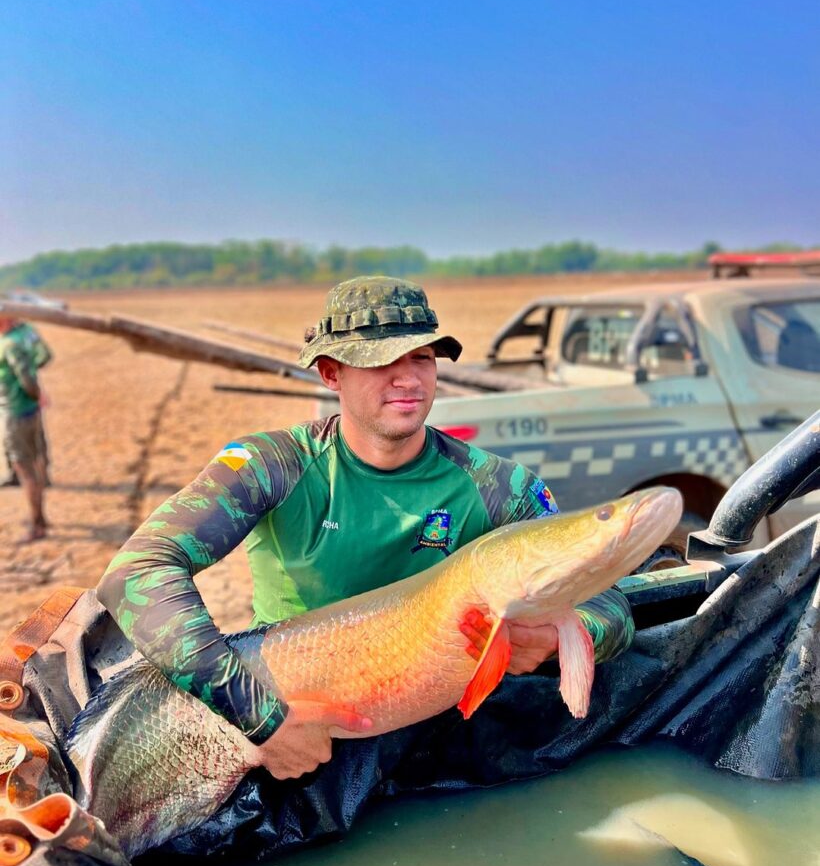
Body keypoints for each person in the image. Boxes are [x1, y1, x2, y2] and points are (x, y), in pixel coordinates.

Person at [97, 277, 634, 781]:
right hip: (291, 716)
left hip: (436, 722)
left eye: (422, 357)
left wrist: (562, 637)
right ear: (331, 373)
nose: (408, 378)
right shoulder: (271, 464)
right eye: (381, 361)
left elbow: (610, 603)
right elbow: (137, 573)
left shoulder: (498, 484)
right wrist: (259, 719)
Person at [0, 316, 50, 541]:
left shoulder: (10, 343)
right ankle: (40, 518)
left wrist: (36, 395)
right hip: (28, 411)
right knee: (34, 465)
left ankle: (37, 524)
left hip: (17, 413)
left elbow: (26, 378)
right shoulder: (20, 337)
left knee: (26, 470)